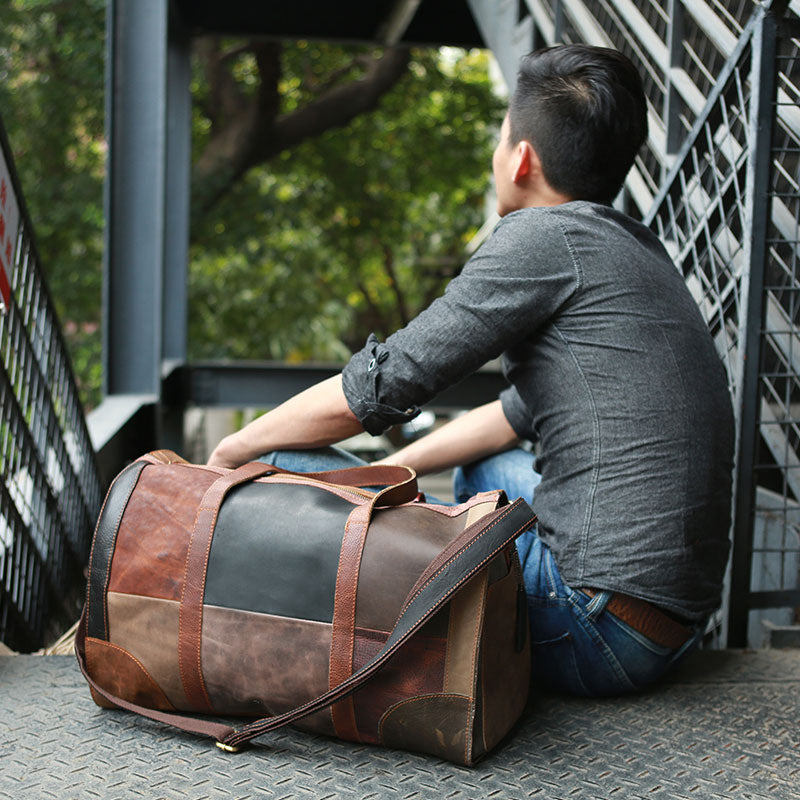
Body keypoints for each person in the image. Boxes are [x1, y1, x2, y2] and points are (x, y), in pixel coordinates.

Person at [208, 44, 734, 697]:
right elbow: (510, 416)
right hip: (670, 624)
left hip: (595, 627)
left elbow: (378, 385)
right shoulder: (633, 249)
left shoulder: (541, 240)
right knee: (482, 475)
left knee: (277, 464)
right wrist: (395, 478)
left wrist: (234, 449)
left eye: (501, 136)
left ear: (521, 158)